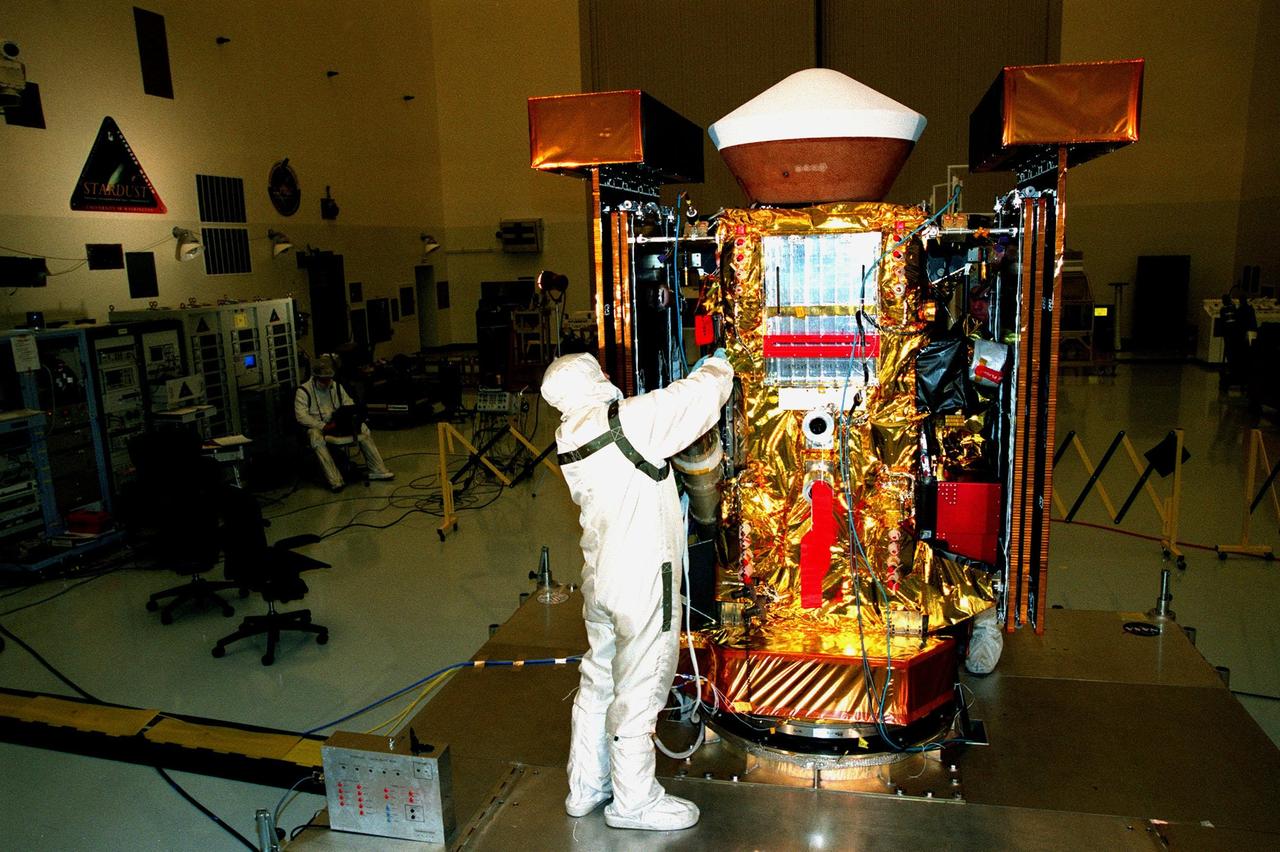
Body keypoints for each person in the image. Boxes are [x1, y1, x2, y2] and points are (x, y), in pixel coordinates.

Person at [541, 350, 733, 832]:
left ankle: (585, 785)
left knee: (600, 677)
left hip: (600, 578)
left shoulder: (570, 433)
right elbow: (697, 400)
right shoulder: (627, 422)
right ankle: (634, 800)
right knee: (642, 685)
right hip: (644, 579)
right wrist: (719, 364)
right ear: (592, 379)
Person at [294, 354, 394, 491]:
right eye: (323, 380)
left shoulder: (336, 387)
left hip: (337, 422)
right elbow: (301, 416)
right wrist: (323, 426)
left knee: (363, 429)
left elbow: (349, 404)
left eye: (329, 379)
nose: (327, 382)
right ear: (316, 377)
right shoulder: (304, 391)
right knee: (316, 438)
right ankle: (335, 480)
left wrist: (348, 418)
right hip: (317, 425)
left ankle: (378, 469)